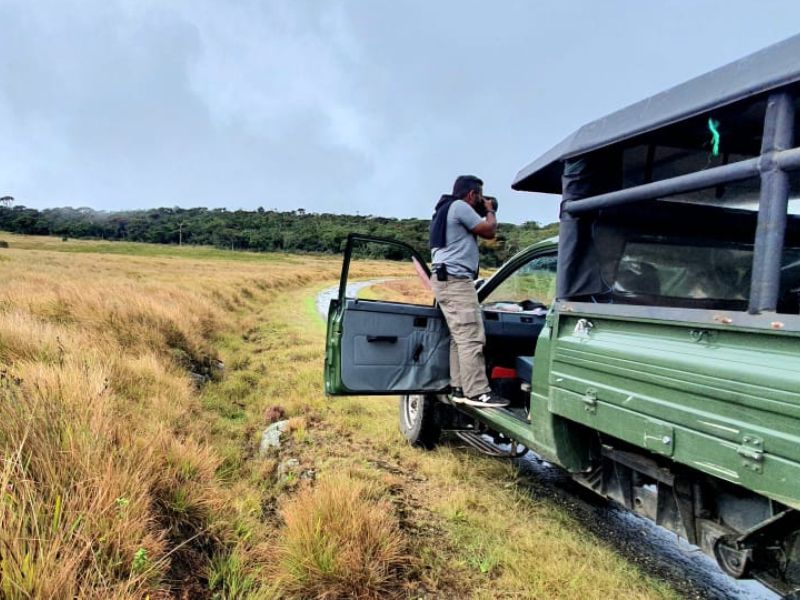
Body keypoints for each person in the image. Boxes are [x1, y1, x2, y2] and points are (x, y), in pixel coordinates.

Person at [429, 175, 507, 408]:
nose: (483, 201)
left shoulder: (445, 209)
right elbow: (489, 231)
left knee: (459, 337)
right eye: (480, 197)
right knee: (472, 337)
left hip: (445, 280)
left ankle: (460, 387)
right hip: (456, 281)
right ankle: (478, 392)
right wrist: (491, 210)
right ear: (472, 194)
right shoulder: (460, 206)